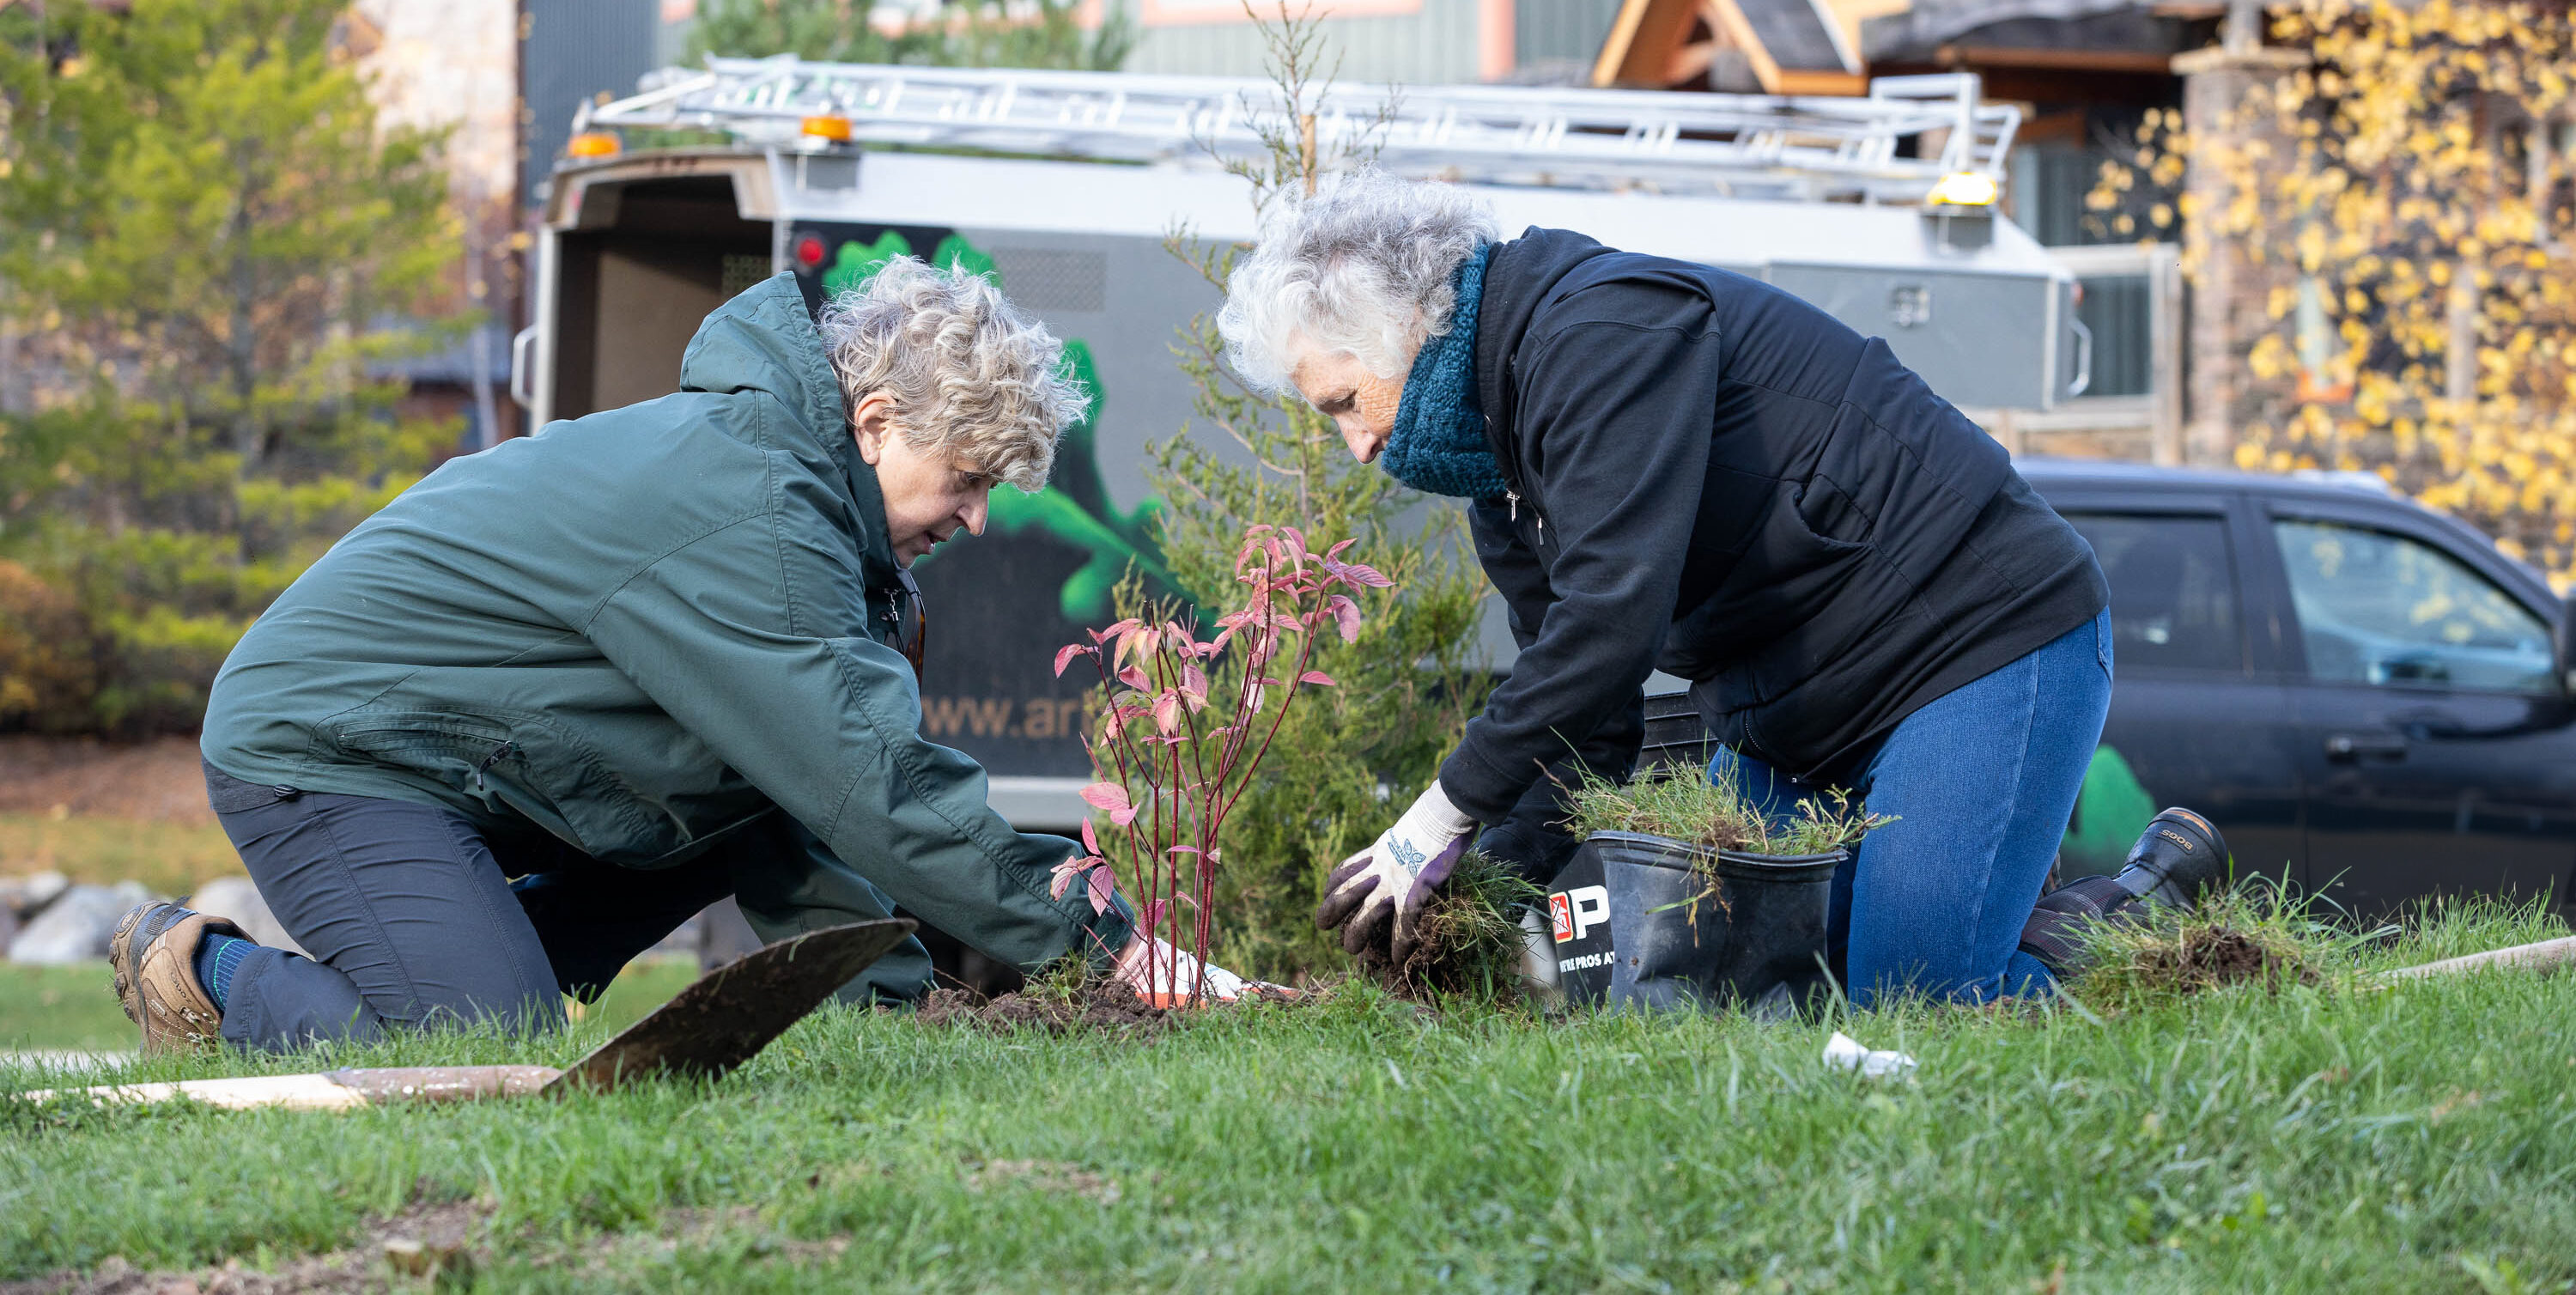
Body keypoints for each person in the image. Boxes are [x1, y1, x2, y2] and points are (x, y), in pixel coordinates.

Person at [112, 260, 1261, 1055]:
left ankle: (462, 962)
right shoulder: (754, 513)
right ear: (874, 424)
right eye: (965, 481)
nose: (976, 521)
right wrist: (1111, 948)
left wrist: (901, 1018)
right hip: (330, 745)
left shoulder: (807, 510)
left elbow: (795, 809)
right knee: (490, 1047)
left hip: (474, 761)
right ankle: (201, 976)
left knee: (722, 812)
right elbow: (876, 784)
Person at [1221, 173, 2226, 1006]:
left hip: (1975, 641)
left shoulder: (1598, 335)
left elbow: (1609, 626)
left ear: (1408, 327)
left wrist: (1437, 815)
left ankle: (2128, 920)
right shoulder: (1505, 476)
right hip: (1795, 709)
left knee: (1917, 1002)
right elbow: (1595, 721)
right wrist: (1487, 891)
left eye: (1347, 401)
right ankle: (2016, 922)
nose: (1356, 445)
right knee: (1735, 982)